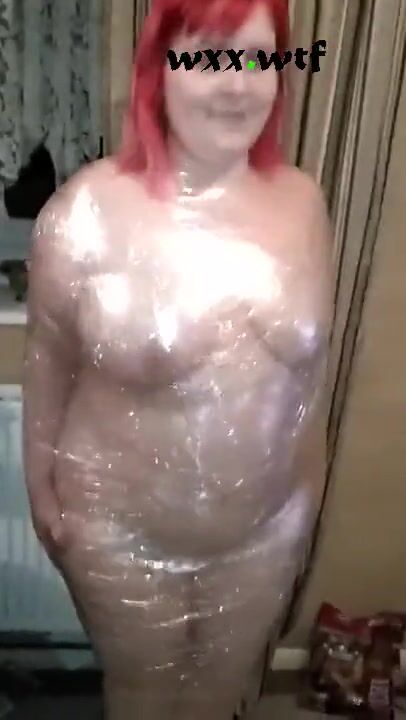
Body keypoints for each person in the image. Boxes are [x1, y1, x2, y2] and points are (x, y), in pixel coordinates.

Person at [23, 0, 333, 718]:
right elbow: (49, 362)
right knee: (145, 700)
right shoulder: (86, 211)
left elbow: (308, 377)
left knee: (220, 696)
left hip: (266, 531)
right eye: (206, 57)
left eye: (257, 58)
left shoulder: (304, 204)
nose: (236, 83)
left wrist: (307, 496)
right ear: (158, 68)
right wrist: (42, 495)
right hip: (121, 536)